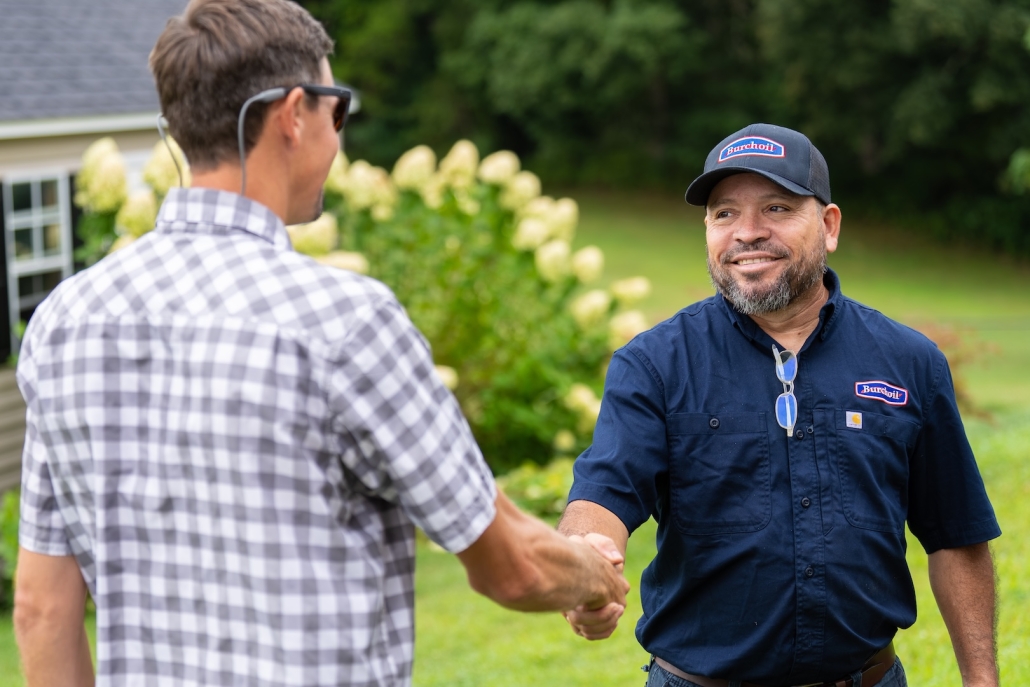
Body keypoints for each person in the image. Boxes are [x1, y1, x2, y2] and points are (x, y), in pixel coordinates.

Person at [12, 1, 627, 685]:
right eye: (338, 112)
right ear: (295, 114)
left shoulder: (64, 321)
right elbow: (510, 564)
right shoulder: (346, 323)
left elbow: (42, 609)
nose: (339, 137)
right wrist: (594, 573)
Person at [558, 123, 1001, 687]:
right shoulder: (654, 364)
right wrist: (583, 562)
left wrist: (982, 679)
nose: (747, 233)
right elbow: (603, 496)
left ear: (829, 225)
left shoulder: (909, 363)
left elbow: (957, 535)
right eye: (724, 214)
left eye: (776, 207)